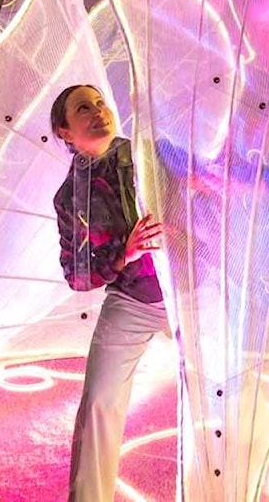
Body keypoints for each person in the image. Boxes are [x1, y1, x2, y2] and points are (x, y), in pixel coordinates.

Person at [50, 84, 168, 502]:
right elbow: (77, 277)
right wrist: (125, 252)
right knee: (99, 400)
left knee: (226, 390)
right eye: (84, 108)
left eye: (101, 102)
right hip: (132, 299)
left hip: (192, 292)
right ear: (65, 131)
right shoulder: (69, 200)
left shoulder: (148, 154)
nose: (99, 111)